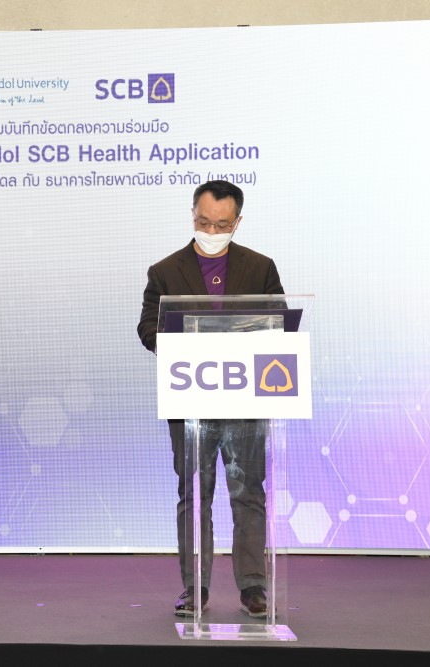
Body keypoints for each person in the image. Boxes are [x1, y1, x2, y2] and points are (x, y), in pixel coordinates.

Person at [137, 180, 284, 618]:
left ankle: (253, 587)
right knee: (194, 497)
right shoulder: (165, 270)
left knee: (248, 494)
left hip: (245, 400)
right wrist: (179, 341)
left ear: (237, 222)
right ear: (192, 215)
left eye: (221, 224)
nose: (211, 230)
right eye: (204, 222)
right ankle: (194, 587)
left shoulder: (260, 267)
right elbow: (147, 328)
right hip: (190, 400)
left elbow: (279, 322)